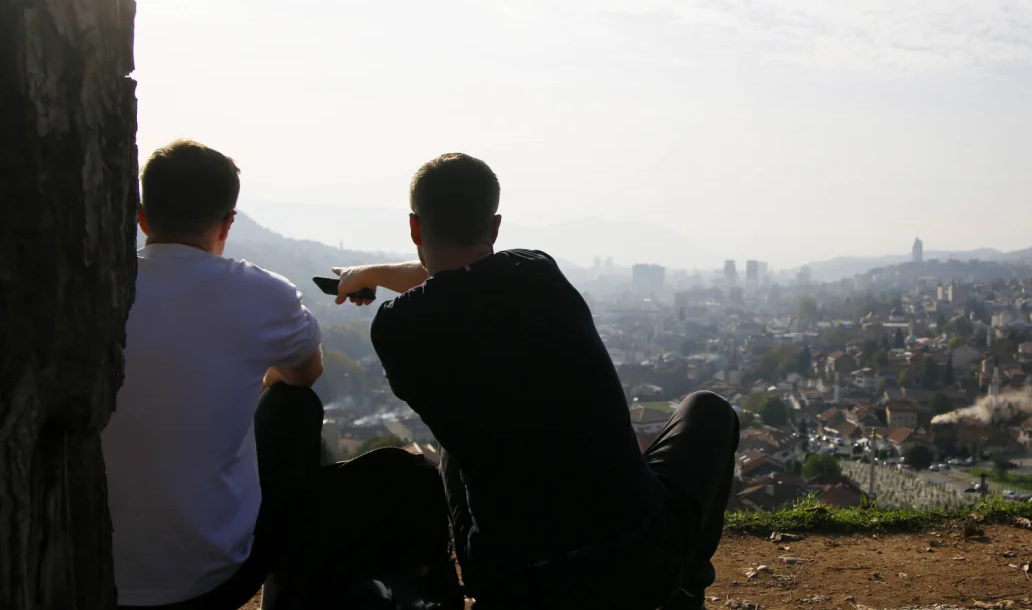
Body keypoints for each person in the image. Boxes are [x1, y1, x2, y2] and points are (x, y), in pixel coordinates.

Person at [333, 153, 739, 609]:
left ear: (415, 229)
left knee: (454, 446)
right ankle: (684, 588)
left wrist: (363, 276)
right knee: (710, 410)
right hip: (639, 561)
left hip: (516, 582)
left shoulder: (395, 330)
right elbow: (463, 281)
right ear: (496, 227)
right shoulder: (538, 273)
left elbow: (447, 286)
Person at [102, 140, 461, 610]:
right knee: (293, 405)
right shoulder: (261, 294)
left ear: (142, 217)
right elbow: (304, 374)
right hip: (218, 573)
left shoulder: (93, 291)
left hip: (91, 567)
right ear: (228, 223)